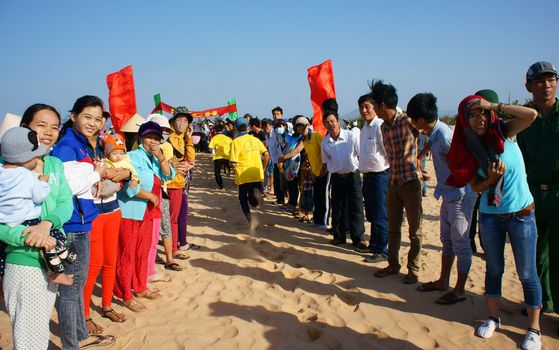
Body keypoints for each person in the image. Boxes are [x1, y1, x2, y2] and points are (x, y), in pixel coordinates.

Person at [447, 95, 541, 349]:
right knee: (494, 269)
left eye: (482, 113)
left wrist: (494, 106)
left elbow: (530, 116)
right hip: (490, 216)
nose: (479, 119)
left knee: (526, 273)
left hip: (521, 213)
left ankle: (534, 329)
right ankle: (492, 318)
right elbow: (475, 186)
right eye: (472, 115)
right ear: (465, 121)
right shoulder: (468, 146)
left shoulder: (505, 131)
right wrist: (489, 180)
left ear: (489, 115)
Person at [51, 95, 122, 349]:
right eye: (87, 117)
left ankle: (80, 334)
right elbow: (65, 186)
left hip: (83, 221)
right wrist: (98, 173)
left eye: (97, 118)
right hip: (71, 224)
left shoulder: (84, 144)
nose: (93, 123)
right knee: (71, 289)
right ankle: (72, 343)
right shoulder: (68, 146)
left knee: (78, 283)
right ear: (73, 116)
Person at [407, 93, 477, 305]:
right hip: (447, 194)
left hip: (460, 196)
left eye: (411, 118)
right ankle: (444, 281)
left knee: (461, 244)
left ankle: (460, 289)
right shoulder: (434, 134)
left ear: (420, 120)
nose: (410, 121)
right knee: (446, 240)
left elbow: (467, 162)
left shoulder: (446, 136)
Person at [0, 127, 76, 282]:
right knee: (52, 239)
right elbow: (39, 196)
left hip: (8, 222)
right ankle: (58, 268)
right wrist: (42, 183)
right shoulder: (26, 176)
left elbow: (65, 202)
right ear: (25, 158)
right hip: (26, 233)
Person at [114, 121, 175, 312]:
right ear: (141, 138)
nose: (153, 141)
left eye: (157, 138)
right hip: (131, 211)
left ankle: (140, 286)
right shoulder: (132, 157)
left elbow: (168, 175)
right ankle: (125, 293)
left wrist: (162, 157)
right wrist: (148, 195)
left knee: (143, 251)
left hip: (148, 212)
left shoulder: (155, 158)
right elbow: (128, 183)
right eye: (149, 137)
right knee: (127, 253)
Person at [370, 80, 423, 285]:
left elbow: (429, 135)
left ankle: (413, 269)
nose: (373, 108)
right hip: (393, 182)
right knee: (393, 228)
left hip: (410, 183)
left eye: (374, 104)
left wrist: (420, 157)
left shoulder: (407, 121)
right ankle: (393, 265)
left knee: (415, 231)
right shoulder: (383, 127)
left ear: (382, 105)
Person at [518, 61, 559, 318]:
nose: (546, 85)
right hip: (532, 194)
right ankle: (540, 303)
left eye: (551, 79)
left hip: (558, 193)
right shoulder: (526, 120)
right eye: (540, 81)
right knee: (534, 254)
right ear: (529, 86)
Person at [320, 110, 367, 249]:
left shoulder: (351, 136)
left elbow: (360, 154)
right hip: (337, 177)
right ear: (324, 124)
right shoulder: (325, 143)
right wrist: (319, 175)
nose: (330, 124)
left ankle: (358, 238)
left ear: (338, 121)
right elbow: (325, 162)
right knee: (338, 207)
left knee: (356, 207)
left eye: (332, 121)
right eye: (327, 122)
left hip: (353, 176)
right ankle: (339, 236)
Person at [357, 93, 390, 263]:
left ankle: (382, 250)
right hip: (367, 176)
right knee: (371, 213)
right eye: (361, 107)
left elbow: (387, 151)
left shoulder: (380, 125)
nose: (364, 111)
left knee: (380, 214)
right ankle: (374, 244)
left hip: (380, 175)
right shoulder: (364, 128)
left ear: (375, 108)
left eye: (367, 107)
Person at [166, 107, 199, 256]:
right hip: (171, 183)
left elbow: (191, 158)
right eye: (179, 119)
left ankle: (180, 243)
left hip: (182, 182)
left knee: (182, 213)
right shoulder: (167, 136)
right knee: (173, 217)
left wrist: (189, 137)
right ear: (172, 121)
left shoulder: (184, 137)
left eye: (185, 120)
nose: (182, 123)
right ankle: (174, 248)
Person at [228, 118, 269, 225]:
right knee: (253, 198)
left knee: (243, 200)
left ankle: (251, 221)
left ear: (236, 129)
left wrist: (231, 166)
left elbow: (233, 162)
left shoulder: (235, 142)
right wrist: (263, 168)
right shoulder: (255, 139)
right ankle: (256, 201)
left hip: (243, 175)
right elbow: (266, 155)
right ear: (247, 127)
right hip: (256, 173)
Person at [208, 123, 232, 189]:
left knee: (217, 172)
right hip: (227, 156)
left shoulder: (214, 138)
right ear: (223, 129)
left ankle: (221, 186)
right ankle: (227, 170)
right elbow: (232, 146)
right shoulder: (228, 138)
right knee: (226, 165)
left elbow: (210, 147)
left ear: (215, 130)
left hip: (218, 157)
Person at [298, 154, 314, 223]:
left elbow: (313, 179)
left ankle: (309, 216)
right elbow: (302, 178)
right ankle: (304, 214)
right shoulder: (303, 168)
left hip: (310, 188)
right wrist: (301, 186)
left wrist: (310, 171)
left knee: (310, 202)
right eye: (306, 160)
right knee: (303, 201)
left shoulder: (312, 168)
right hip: (304, 188)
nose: (307, 161)